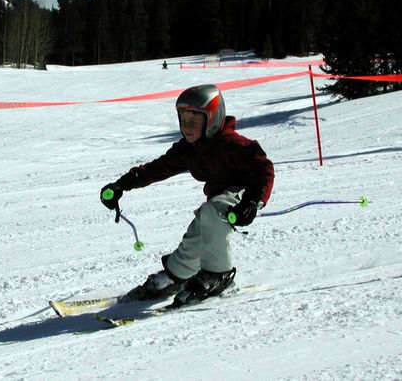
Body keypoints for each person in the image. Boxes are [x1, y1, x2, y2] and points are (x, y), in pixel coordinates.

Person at [100, 84, 274, 306]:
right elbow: (156, 168)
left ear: (212, 120)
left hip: (245, 192)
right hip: (218, 202)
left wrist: (252, 201)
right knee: (198, 234)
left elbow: (264, 170)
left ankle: (218, 274)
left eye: (194, 121)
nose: (187, 127)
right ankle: (177, 275)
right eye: (183, 121)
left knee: (213, 211)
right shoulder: (189, 148)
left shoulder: (233, 144)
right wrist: (121, 185)